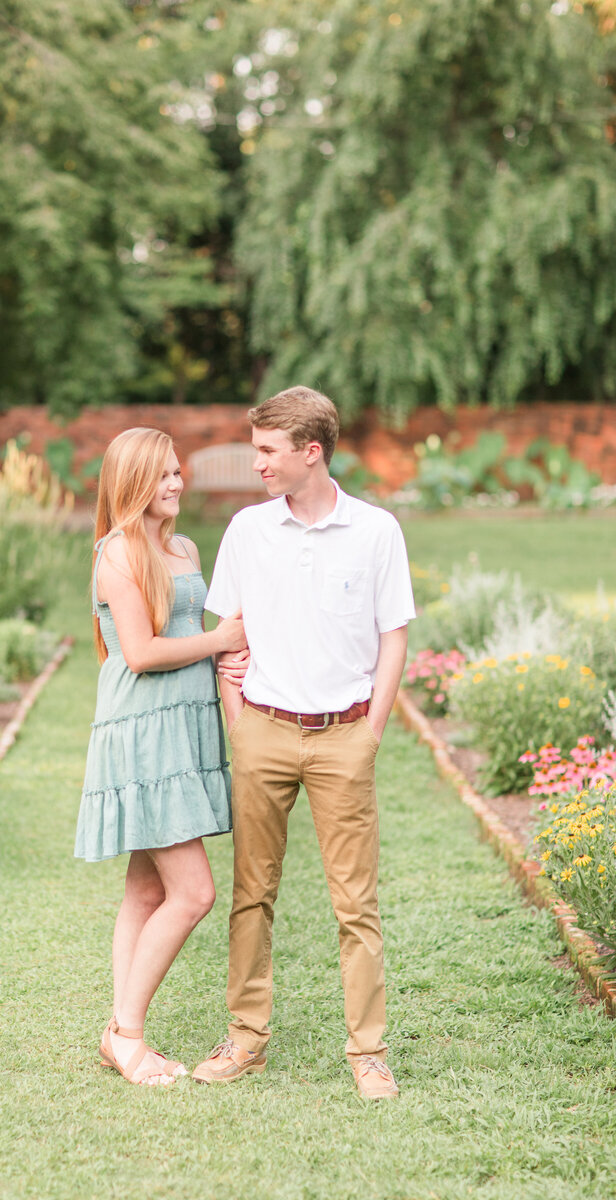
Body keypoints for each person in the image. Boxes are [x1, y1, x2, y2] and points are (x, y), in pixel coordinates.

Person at [192, 386, 416, 1100]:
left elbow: (394, 636)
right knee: (251, 894)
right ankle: (245, 1040)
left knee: (357, 904)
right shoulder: (247, 531)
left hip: (344, 737)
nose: (256, 462)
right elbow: (229, 633)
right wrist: (238, 720)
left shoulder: (377, 531)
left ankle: (369, 1053)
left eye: (267, 451)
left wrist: (371, 732)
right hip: (261, 730)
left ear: (310, 452)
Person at [75, 426, 247, 1088]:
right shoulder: (117, 555)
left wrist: (224, 649)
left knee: (147, 887)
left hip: (184, 730)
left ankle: (121, 1033)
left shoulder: (181, 546)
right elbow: (142, 654)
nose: (177, 483)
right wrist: (219, 638)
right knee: (194, 891)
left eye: (179, 473)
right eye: (164, 475)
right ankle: (127, 1034)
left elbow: (189, 633)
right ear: (133, 482)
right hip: (143, 733)